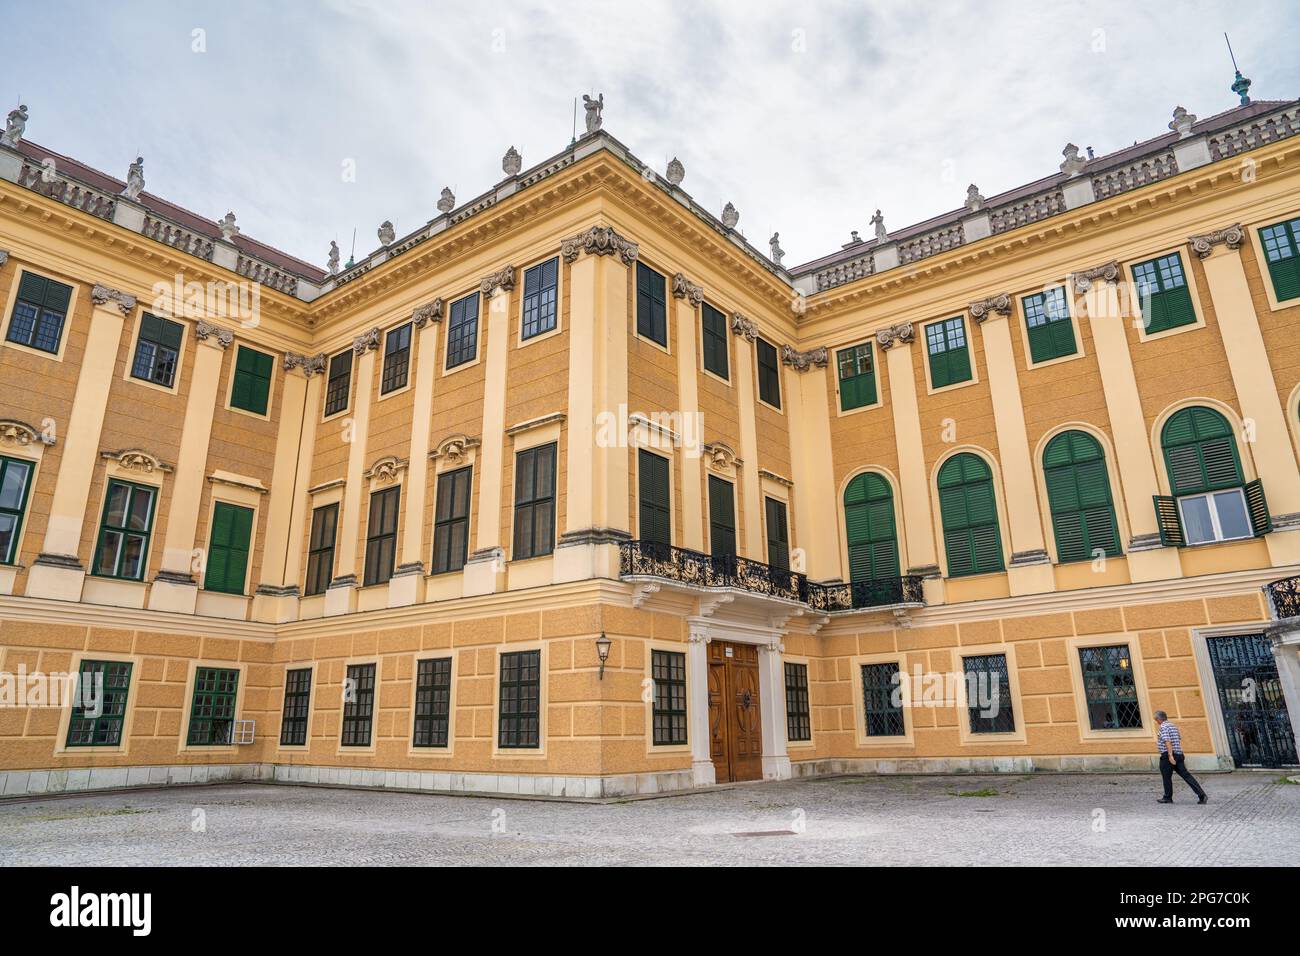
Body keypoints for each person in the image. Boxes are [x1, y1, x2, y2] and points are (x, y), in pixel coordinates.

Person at [1153, 710, 1207, 804]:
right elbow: (1177, 739)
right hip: (1179, 754)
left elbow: (1167, 741)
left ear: (1159, 719)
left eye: (1156, 719)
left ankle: (1167, 797)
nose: (1156, 722)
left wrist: (1170, 756)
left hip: (1168, 755)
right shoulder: (1173, 726)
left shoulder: (1163, 727)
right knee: (1186, 775)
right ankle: (1201, 795)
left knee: (1166, 777)